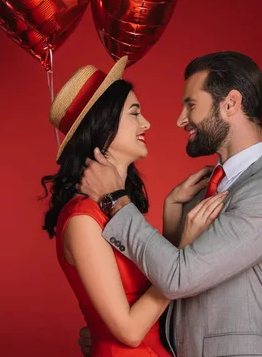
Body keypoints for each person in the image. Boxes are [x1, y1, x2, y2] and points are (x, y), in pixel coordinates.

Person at [77, 51, 262, 357]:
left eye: (191, 105)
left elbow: (177, 279)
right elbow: (179, 294)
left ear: (230, 104)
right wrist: (109, 332)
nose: (180, 119)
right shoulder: (201, 191)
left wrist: (116, 201)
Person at [40, 56, 227, 356]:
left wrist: (171, 211)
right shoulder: (83, 219)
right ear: (104, 126)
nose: (146, 123)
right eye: (134, 113)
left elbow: (149, 286)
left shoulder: (109, 210)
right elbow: (128, 330)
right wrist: (183, 253)